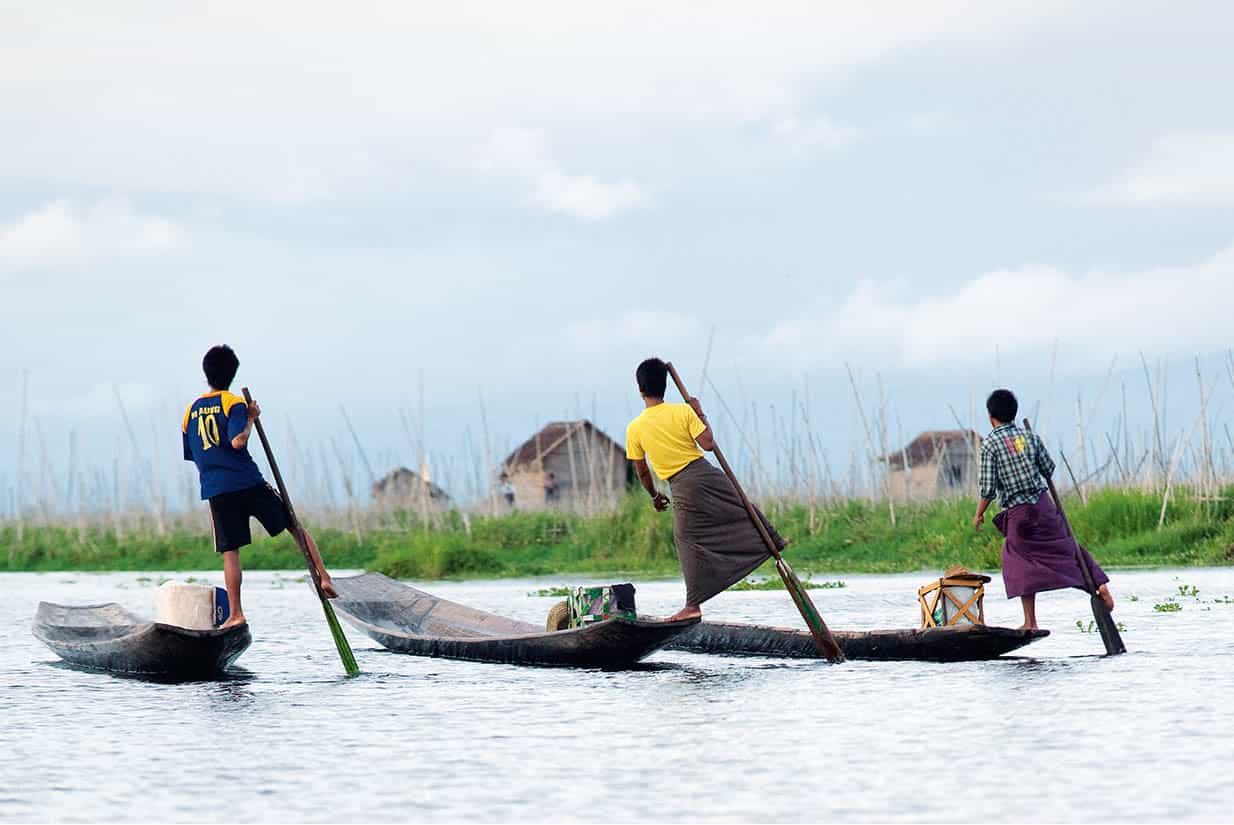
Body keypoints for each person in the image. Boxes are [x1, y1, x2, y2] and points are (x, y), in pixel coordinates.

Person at [182, 345, 337, 629]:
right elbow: (238, 442)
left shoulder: (190, 411)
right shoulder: (233, 404)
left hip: (217, 490)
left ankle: (236, 614)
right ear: (232, 373)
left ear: (206, 375)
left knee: (231, 553)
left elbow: (194, 455)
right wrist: (251, 418)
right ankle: (324, 576)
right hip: (247, 481)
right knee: (294, 525)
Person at [625, 357, 785, 621]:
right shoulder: (683, 411)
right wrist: (699, 411)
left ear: (640, 389)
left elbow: (642, 471)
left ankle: (692, 606)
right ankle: (774, 542)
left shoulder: (635, 428)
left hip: (683, 485)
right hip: (709, 475)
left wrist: (654, 495)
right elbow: (708, 443)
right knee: (741, 509)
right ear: (664, 386)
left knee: (686, 539)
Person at [973, 388, 1114, 630]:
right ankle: (1098, 585)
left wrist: (979, 513)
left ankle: (1030, 621)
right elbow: (1048, 469)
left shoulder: (990, 444)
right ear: (1013, 414)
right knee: (1066, 549)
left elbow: (988, 488)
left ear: (990, 416)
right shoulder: (1030, 437)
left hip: (1020, 513)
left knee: (1017, 559)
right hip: (1044, 506)